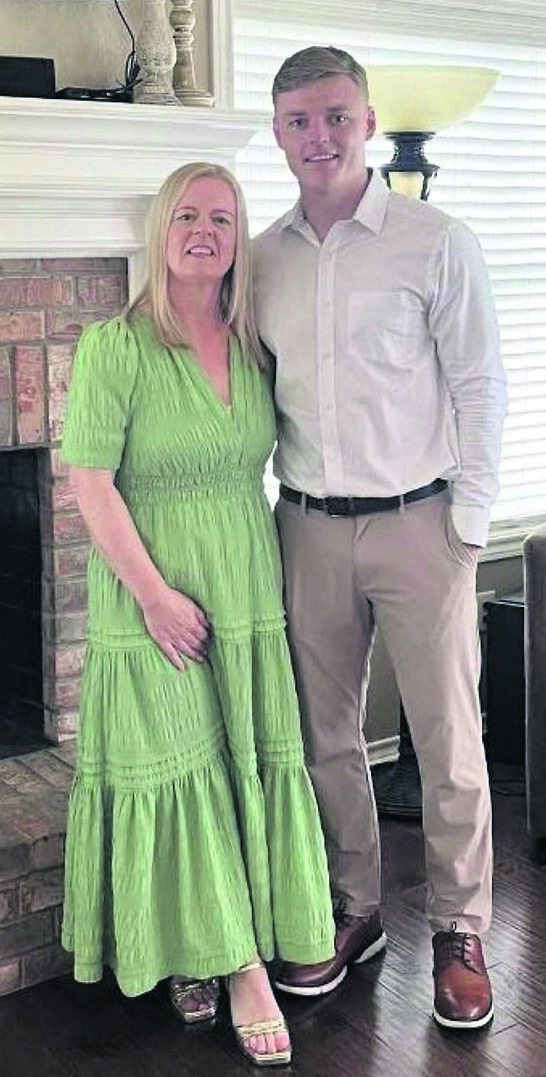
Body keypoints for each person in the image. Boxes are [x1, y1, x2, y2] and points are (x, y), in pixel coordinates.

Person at [252, 46, 508, 1029]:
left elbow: (481, 387)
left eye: (336, 117)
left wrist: (468, 530)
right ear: (277, 132)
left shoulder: (435, 240)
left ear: (365, 120)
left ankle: (460, 928)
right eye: (298, 121)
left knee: (448, 741)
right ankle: (354, 909)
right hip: (306, 526)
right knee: (327, 739)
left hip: (420, 525)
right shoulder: (261, 255)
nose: (319, 137)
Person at [61, 161, 336, 1068]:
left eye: (222, 217)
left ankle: (205, 949)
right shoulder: (117, 346)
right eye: (187, 214)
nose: (204, 231)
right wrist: (153, 597)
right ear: (159, 231)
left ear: (237, 236)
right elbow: (90, 485)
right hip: (152, 600)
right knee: (182, 775)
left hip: (244, 585)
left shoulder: (254, 343)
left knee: (232, 771)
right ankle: (243, 969)